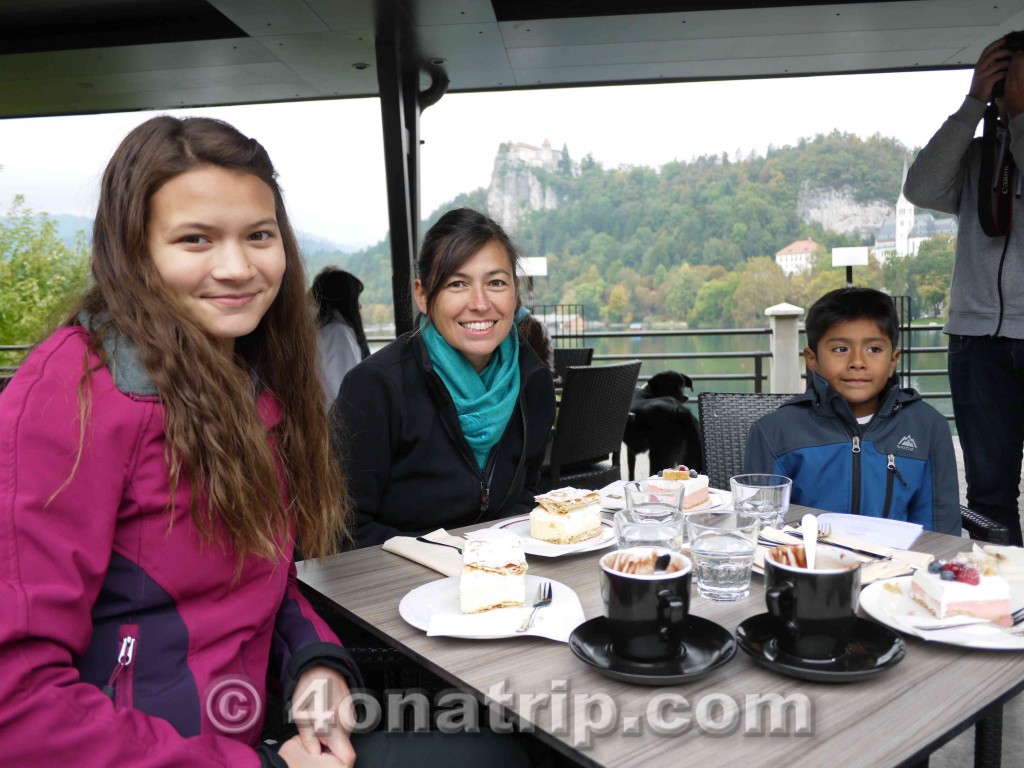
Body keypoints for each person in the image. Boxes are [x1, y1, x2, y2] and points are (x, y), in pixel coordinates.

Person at [0, 118, 534, 768]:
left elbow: (266, 581)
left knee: (507, 751)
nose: (236, 266)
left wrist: (315, 662)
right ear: (134, 250)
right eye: (195, 239)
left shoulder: (251, 385)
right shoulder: (70, 396)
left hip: (254, 730)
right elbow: (17, 708)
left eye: (258, 236)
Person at [334, 208, 557, 548]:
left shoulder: (532, 383)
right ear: (423, 295)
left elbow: (525, 497)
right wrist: (452, 557)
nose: (480, 304)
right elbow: (343, 529)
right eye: (457, 284)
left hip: (498, 578)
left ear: (515, 291)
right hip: (391, 587)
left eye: (496, 283)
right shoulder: (375, 388)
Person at [903, 34, 1024, 546]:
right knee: (990, 497)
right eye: (1010, 78)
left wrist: (1019, 119)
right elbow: (921, 188)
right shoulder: (979, 156)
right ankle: (1003, 616)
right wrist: (974, 104)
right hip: (977, 343)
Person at [745, 287, 960, 534]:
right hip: (807, 564)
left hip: (900, 567)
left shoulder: (928, 428)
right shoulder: (774, 432)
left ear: (893, 361)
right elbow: (761, 528)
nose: (857, 362)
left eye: (874, 350)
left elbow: (941, 530)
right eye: (840, 349)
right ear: (812, 360)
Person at [310, 267, 369, 408]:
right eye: (355, 299)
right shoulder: (338, 334)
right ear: (345, 301)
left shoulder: (322, 330)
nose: (359, 306)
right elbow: (345, 390)